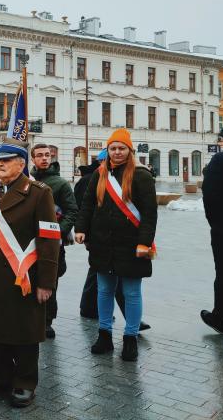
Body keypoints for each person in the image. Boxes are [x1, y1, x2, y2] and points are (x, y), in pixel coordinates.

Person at [0, 138, 60, 408]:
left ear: (21, 164)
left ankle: (25, 382)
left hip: (24, 276)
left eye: (6, 160)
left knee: (24, 331)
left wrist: (46, 282)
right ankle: (0, 375)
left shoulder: (39, 193)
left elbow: (49, 239)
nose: (0, 165)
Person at [74, 128, 157, 362]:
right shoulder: (101, 174)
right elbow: (88, 205)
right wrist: (81, 228)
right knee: (103, 290)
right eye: (113, 148)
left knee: (131, 293)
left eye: (122, 148)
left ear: (129, 151)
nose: (117, 152)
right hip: (103, 243)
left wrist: (144, 243)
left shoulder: (141, 175)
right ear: (107, 151)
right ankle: (105, 335)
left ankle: (130, 338)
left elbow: (149, 214)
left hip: (131, 244)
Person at [30, 144, 78, 339]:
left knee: (50, 280)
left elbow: (72, 210)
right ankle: (33, 317)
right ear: (32, 159)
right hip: (31, 242)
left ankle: (48, 321)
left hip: (52, 243)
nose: (44, 158)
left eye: (47, 155)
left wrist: (58, 233)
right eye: (39, 155)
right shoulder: (27, 180)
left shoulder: (61, 184)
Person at [200, 124, 223, 333]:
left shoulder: (221, 160)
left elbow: (210, 196)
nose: (221, 143)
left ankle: (220, 317)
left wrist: (217, 224)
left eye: (222, 139)